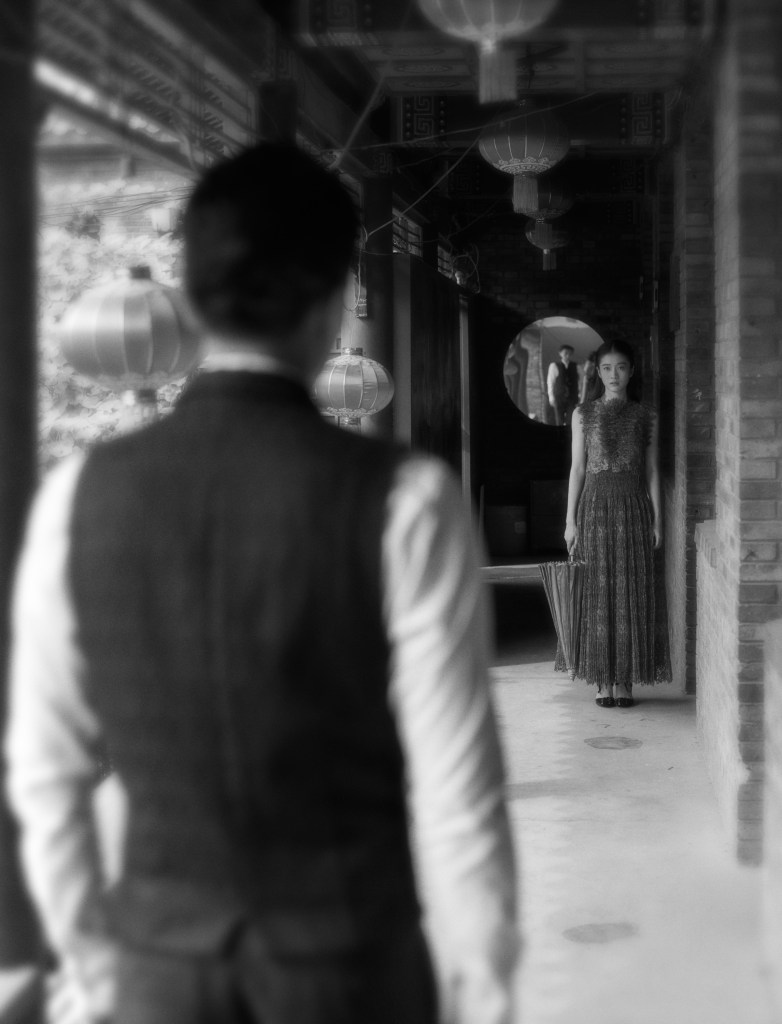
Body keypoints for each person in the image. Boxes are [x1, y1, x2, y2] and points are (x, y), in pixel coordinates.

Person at [5, 144, 519, 1024]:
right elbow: (456, 789)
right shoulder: (407, 498)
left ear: (193, 298)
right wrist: (481, 986)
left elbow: (45, 773)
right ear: (333, 300)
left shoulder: (76, 498)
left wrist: (97, 969)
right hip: (349, 969)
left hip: (161, 974)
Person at [563, 339, 671, 707]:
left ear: (632, 371)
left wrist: (658, 519)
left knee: (631, 590)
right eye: (607, 368)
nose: (614, 375)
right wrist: (570, 521)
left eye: (621, 367)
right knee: (597, 592)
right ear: (597, 371)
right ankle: (601, 678)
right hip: (594, 507)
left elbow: (653, 471)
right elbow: (578, 469)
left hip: (634, 507)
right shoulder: (582, 414)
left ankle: (624, 680)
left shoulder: (645, 415)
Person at [546, 343, 579, 426]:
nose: (568, 355)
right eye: (565, 353)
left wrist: (579, 395)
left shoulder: (576, 366)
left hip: (572, 397)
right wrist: (551, 397)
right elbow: (550, 382)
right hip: (559, 397)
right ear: (560, 353)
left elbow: (581, 381)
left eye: (570, 353)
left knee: (570, 420)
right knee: (559, 420)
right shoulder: (554, 366)